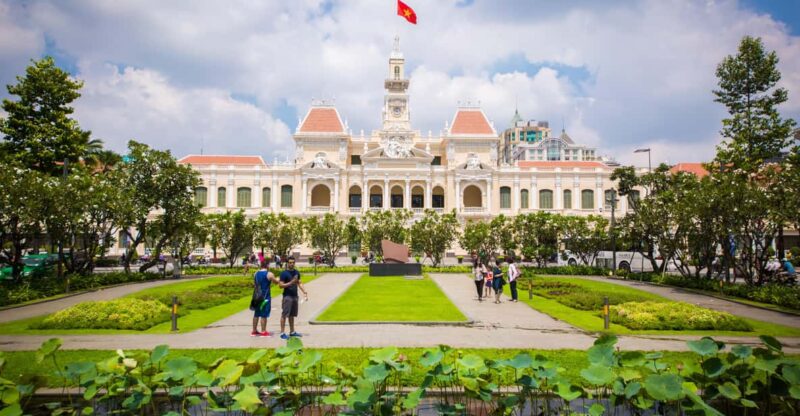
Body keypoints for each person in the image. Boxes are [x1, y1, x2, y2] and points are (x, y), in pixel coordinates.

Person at [279, 256, 309, 339]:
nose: (292, 264)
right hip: (287, 296)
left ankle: (292, 331)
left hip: (294, 296)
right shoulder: (284, 273)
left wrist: (304, 291)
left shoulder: (296, 273)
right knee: (284, 315)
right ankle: (282, 333)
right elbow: (280, 285)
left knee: (292, 315)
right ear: (287, 263)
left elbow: (299, 283)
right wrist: (291, 282)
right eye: (290, 262)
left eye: (293, 262)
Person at [250, 260, 280, 337]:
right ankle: (263, 331)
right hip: (265, 297)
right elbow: (276, 282)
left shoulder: (256, 273)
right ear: (267, 266)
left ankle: (254, 331)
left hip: (256, 296)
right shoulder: (269, 274)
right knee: (264, 314)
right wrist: (278, 278)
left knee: (256, 313)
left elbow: (255, 284)